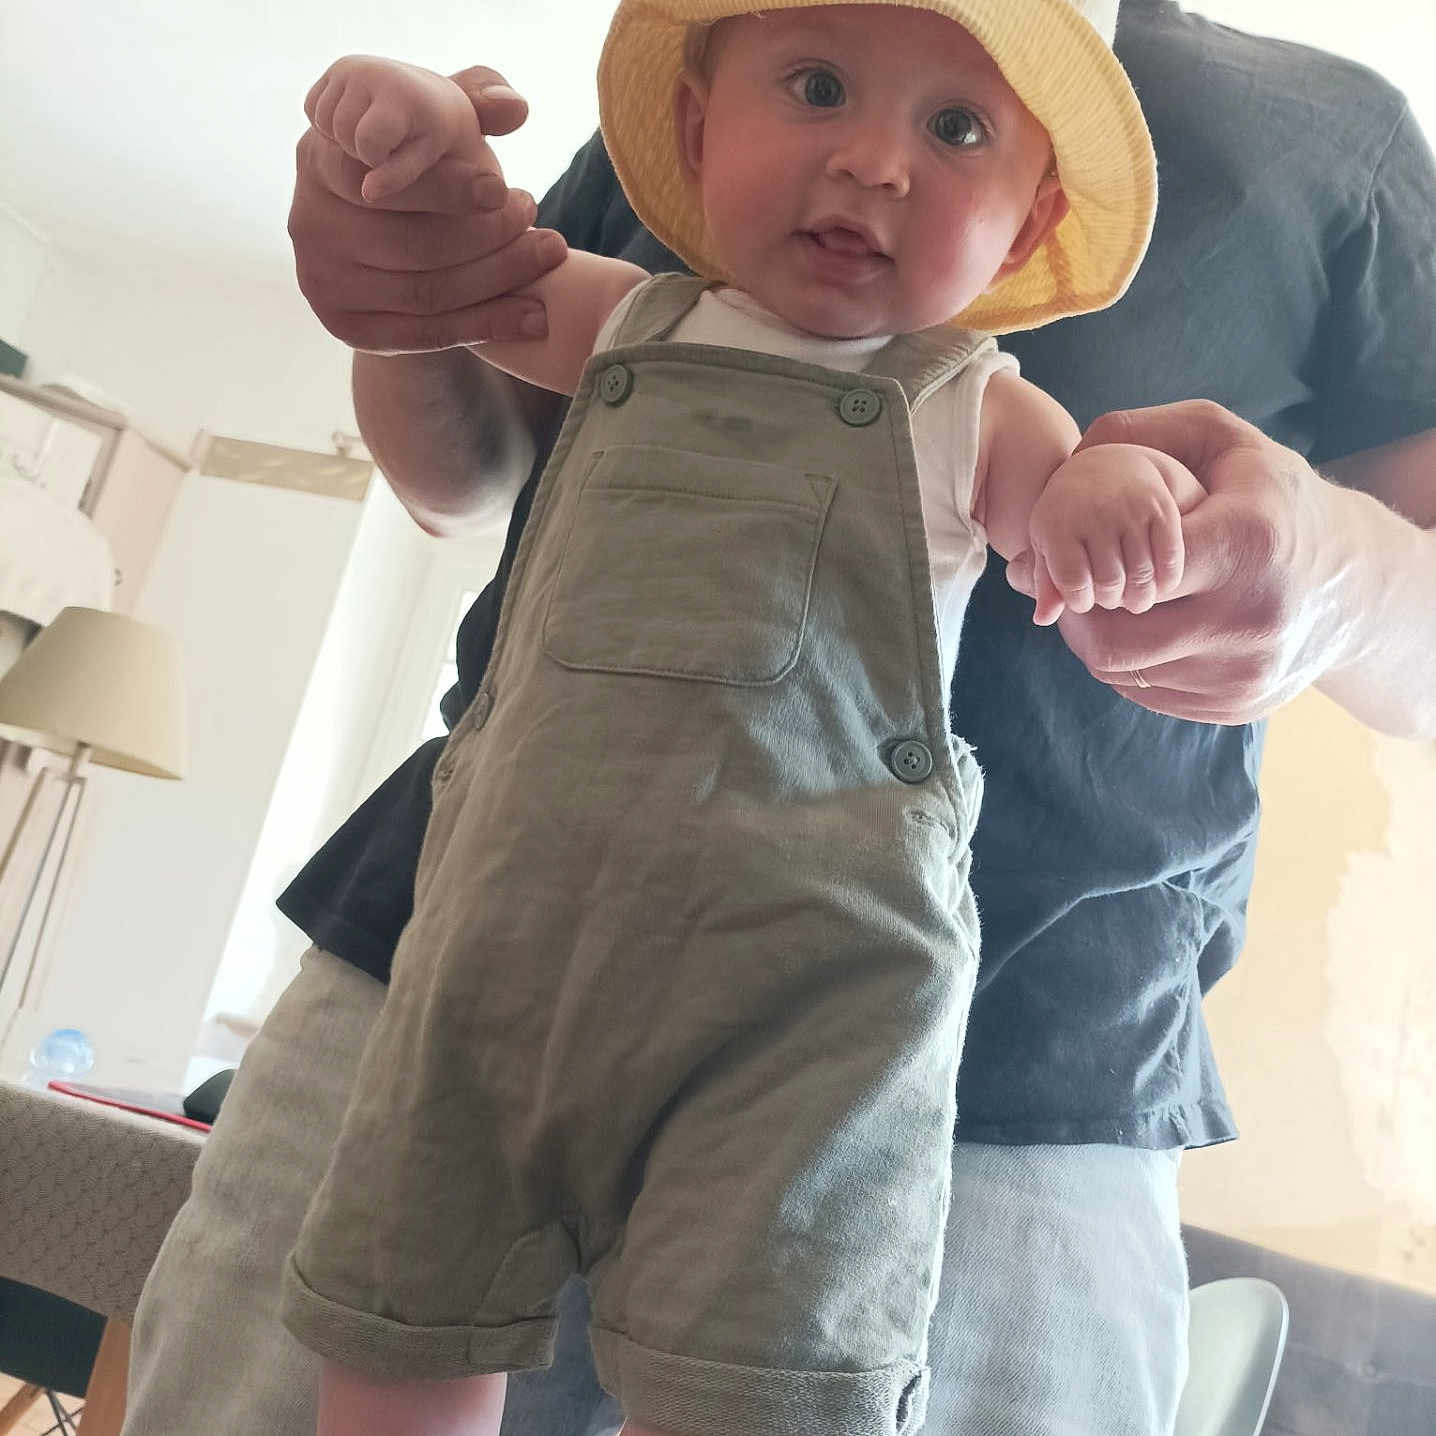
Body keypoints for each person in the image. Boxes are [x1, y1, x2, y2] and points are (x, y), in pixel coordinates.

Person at [119, 2, 1436, 1434]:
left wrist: (1323, 573)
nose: (871, 162)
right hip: (463, 954)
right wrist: (410, 246)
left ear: (1039, 214)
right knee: (387, 1342)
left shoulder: (1327, 143)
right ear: (699, 124)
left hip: (985, 1063)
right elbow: (472, 451)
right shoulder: (726, 77)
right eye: (816, 90)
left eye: (956, 129)